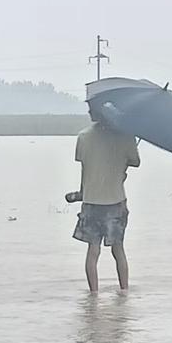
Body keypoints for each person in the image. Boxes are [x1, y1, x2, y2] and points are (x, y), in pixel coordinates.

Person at [69, 103, 140, 293]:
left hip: (92, 201)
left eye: (91, 109)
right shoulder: (126, 136)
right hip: (116, 201)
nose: (89, 111)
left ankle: (93, 295)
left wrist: (81, 192)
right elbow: (135, 161)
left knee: (93, 251)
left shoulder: (83, 137)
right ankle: (124, 291)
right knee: (118, 250)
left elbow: (84, 168)